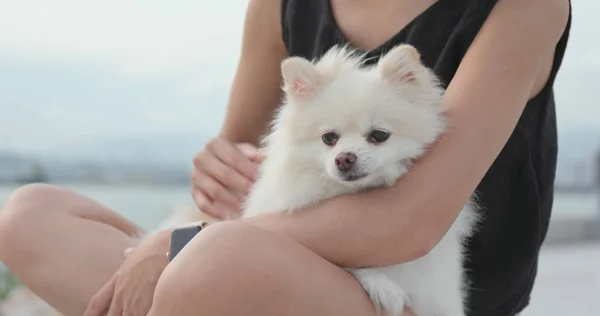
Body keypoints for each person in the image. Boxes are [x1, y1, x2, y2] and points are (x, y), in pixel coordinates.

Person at [0, 0, 571, 315]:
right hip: (258, 269)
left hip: (407, 298)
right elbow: (236, 185)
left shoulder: (524, 7)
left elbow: (413, 223)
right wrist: (215, 174)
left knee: (209, 271)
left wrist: (182, 247)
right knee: (29, 216)